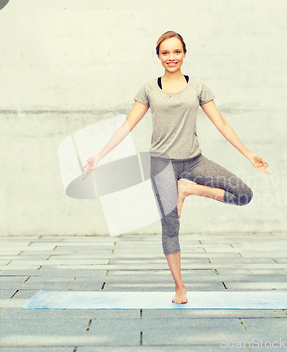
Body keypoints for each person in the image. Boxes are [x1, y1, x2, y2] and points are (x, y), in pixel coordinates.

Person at [82, 31, 270, 304]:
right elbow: (127, 126)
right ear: (158, 56)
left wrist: (248, 154)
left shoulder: (198, 87)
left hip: (194, 160)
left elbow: (221, 124)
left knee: (243, 194)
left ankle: (189, 190)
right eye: (165, 53)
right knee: (170, 227)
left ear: (184, 53)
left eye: (177, 52)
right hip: (161, 166)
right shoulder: (148, 88)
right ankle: (180, 287)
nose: (172, 57)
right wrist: (98, 156)